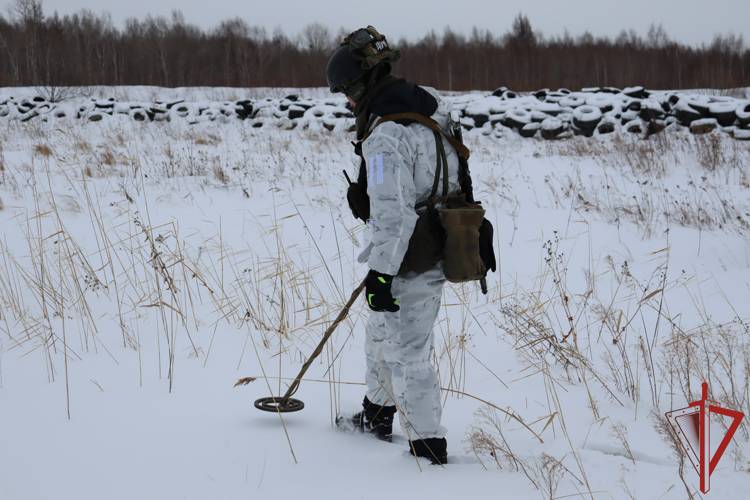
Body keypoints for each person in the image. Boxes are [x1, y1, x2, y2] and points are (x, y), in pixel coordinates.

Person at [326, 26, 461, 465]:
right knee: (381, 334)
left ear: (362, 84)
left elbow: (393, 213)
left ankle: (427, 448)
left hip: (412, 256)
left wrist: (382, 271)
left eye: (346, 90)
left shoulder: (384, 137)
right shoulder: (434, 106)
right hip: (439, 239)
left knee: (409, 353)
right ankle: (376, 416)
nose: (346, 100)